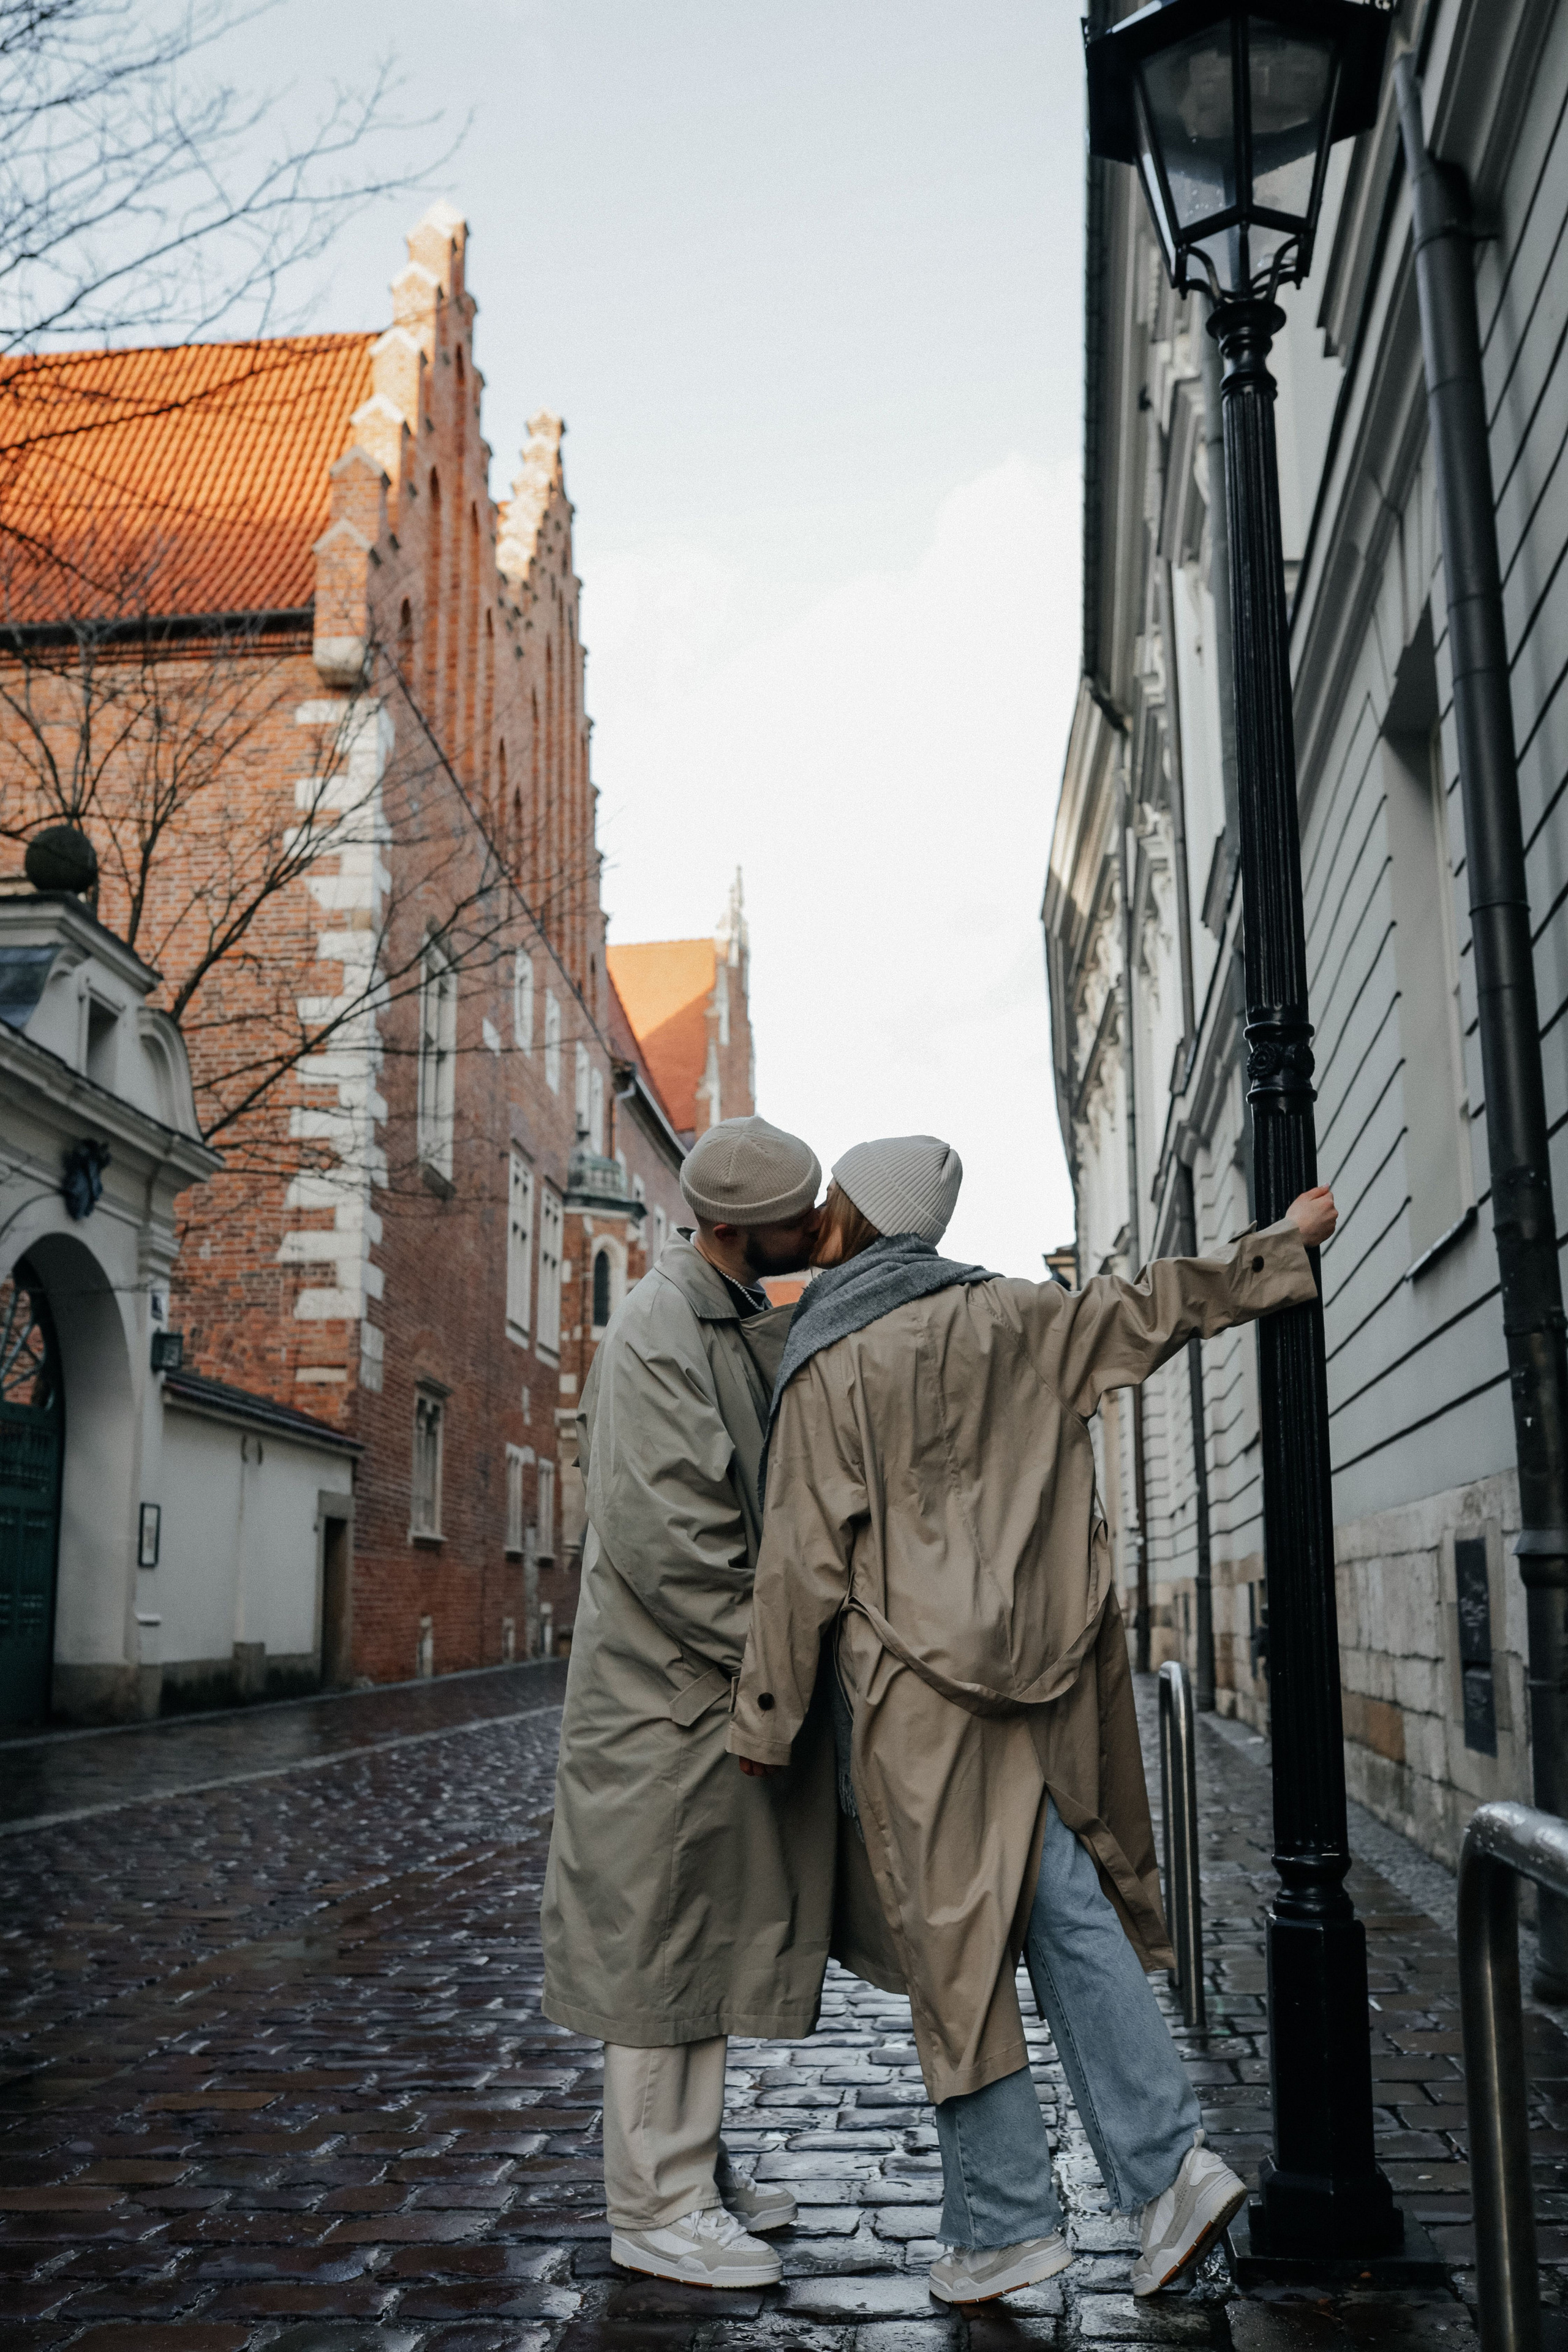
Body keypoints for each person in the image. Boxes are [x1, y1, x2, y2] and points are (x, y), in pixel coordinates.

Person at [729, 1136, 1333, 2306]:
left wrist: (766, 1717)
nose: (825, 1212)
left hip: (917, 1700)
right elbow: (1155, 1305)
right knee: (1069, 1912)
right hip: (1046, 1680)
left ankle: (1006, 2225)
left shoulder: (829, 1356)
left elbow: (798, 1563)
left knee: (955, 1953)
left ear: (861, 1216)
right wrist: (1280, 1247)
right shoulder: (1024, 1315)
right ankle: (1171, 2174)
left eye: (836, 1198)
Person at [540, 1114, 838, 2291]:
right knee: (657, 1948)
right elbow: (680, 1550)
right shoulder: (661, 1331)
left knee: (695, 1935)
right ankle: (656, 2208)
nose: (815, 1226)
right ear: (733, 1228)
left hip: (693, 1698)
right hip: (663, 1706)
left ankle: (693, 2168)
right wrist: (787, 1667)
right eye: (797, 1216)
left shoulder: (715, 1310)